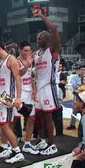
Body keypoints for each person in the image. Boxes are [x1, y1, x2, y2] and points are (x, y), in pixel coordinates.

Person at [0, 41, 25, 163]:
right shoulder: (0, 62)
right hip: (0, 97)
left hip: (8, 97)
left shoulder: (12, 60)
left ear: (0, 48)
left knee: (5, 125)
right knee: (3, 124)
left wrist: (19, 98)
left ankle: (17, 152)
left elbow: (18, 79)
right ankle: (5, 147)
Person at [33, 9, 61, 155]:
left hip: (49, 88)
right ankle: (43, 140)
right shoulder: (36, 54)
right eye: (37, 39)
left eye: (41, 38)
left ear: (48, 39)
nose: (38, 41)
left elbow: (54, 29)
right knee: (40, 117)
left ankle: (52, 144)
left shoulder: (53, 51)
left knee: (48, 117)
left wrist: (41, 15)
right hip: (38, 89)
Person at [17, 41, 39, 155]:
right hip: (19, 93)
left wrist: (34, 89)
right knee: (14, 120)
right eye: (25, 50)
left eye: (29, 50)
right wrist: (27, 64)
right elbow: (19, 74)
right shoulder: (16, 61)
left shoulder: (30, 61)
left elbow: (30, 77)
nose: (28, 52)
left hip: (29, 92)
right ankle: (10, 146)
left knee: (31, 118)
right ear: (20, 50)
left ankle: (27, 143)